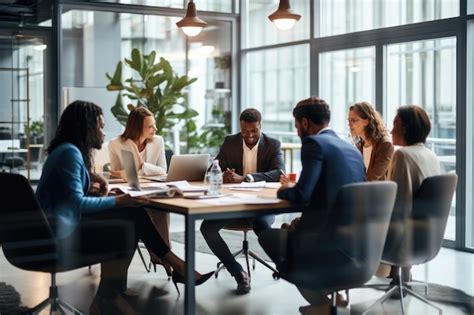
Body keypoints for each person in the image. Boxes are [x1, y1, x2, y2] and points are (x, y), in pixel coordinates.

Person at [36, 101, 213, 314]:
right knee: (128, 220)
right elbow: (76, 204)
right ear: (86, 128)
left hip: (56, 229)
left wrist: (95, 184)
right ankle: (114, 294)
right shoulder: (69, 154)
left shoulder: (66, 151)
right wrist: (118, 201)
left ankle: (114, 294)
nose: (103, 132)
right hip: (59, 237)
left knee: (130, 214)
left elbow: (67, 196)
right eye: (100, 126)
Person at [257, 97, 366, 314]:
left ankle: (323, 304)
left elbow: (301, 194)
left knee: (264, 230)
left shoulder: (314, 144)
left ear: (305, 123)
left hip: (325, 241)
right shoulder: (351, 148)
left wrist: (282, 190)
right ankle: (334, 300)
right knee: (290, 232)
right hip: (357, 242)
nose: (297, 132)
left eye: (297, 126)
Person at [200, 108, 285, 295]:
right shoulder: (230, 142)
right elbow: (213, 167)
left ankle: (284, 265)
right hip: (234, 204)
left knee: (262, 227)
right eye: (245, 131)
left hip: (261, 205)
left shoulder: (272, 144)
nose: (250, 135)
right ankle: (238, 272)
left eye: (254, 130)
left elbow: (279, 173)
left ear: (260, 126)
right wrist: (223, 174)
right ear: (240, 127)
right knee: (206, 228)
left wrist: (246, 178)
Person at [108, 106, 171, 276]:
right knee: (140, 209)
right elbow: (116, 174)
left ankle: (163, 254)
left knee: (161, 210)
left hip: (151, 189)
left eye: (154, 125)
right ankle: (163, 255)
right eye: (150, 126)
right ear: (137, 128)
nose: (155, 129)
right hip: (129, 193)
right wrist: (129, 173)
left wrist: (141, 166)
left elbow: (163, 170)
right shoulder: (116, 144)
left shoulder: (157, 141)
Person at [384, 105, 441, 284]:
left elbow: (398, 206)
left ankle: (335, 297)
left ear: (406, 127)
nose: (390, 129)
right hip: (427, 236)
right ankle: (398, 278)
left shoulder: (403, 155)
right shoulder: (431, 155)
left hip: (404, 238)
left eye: (395, 124)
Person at [348, 101, 394, 181]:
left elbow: (373, 177)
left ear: (366, 121)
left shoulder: (385, 144)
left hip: (378, 192)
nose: (350, 124)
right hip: (365, 190)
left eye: (354, 120)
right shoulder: (360, 145)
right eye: (349, 120)